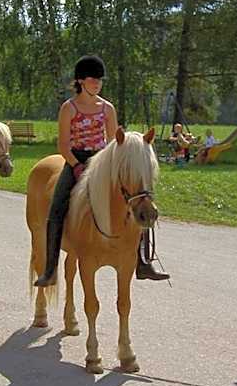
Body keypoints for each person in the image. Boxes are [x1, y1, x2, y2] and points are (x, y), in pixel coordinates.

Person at [34, 54, 169, 286]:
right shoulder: (69, 108)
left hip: (103, 162)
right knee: (56, 209)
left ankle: (143, 261)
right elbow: (63, 145)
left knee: (138, 199)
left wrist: (109, 166)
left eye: (99, 80)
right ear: (80, 81)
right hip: (75, 160)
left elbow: (113, 141)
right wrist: (76, 165)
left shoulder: (107, 108)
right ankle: (50, 269)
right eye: (92, 80)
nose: (97, 83)